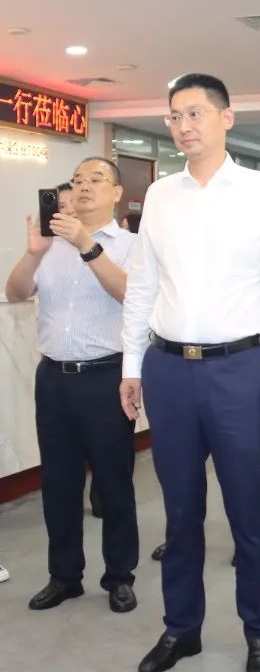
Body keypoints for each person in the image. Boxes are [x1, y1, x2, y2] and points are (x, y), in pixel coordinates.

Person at [120, 73, 260, 672]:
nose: (184, 126)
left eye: (195, 113)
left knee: (247, 508)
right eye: (174, 116)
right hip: (168, 368)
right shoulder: (160, 195)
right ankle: (182, 628)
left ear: (227, 118)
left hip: (238, 369)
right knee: (179, 512)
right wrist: (131, 365)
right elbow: (142, 286)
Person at [5, 157, 139, 615]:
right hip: (53, 379)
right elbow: (15, 293)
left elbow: (130, 294)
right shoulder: (51, 245)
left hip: (106, 377)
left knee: (113, 483)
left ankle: (119, 576)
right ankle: (64, 576)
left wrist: (86, 244)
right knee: (58, 484)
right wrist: (34, 253)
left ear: (116, 192)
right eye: (78, 179)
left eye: (95, 179)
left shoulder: (132, 245)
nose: (84, 186)